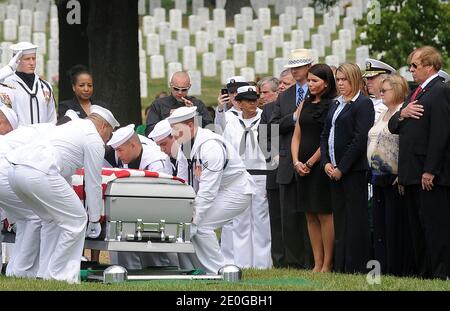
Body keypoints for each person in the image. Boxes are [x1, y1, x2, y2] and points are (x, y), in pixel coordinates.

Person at [6, 105, 118, 283]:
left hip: (15, 171)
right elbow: (93, 182)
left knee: (51, 219)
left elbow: (64, 176)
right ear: (103, 127)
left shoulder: (69, 128)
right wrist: (95, 218)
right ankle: (60, 275)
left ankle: (44, 274)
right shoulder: (93, 138)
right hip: (38, 171)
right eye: (109, 134)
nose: (108, 140)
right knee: (76, 220)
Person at [167, 106, 255, 273]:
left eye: (176, 129)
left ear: (190, 126)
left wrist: (194, 217)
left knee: (202, 226)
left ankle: (219, 271)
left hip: (236, 190)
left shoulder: (211, 147)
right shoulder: (184, 145)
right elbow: (183, 182)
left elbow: (208, 189)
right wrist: (183, 210)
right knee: (187, 225)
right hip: (218, 190)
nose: (172, 134)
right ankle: (191, 269)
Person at [388, 46, 450, 279]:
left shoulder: (440, 91)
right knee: (418, 228)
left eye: (415, 65)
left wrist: (430, 170)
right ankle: (425, 273)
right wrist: (402, 114)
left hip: (429, 174)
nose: (410, 70)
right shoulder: (416, 93)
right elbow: (394, 125)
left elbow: (441, 133)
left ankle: (440, 274)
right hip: (411, 173)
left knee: (435, 227)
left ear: (430, 66)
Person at [320, 63, 374, 273]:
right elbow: (325, 134)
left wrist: (342, 167)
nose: (341, 84)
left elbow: (360, 139)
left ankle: (357, 265)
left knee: (355, 219)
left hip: (353, 171)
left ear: (355, 80)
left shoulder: (363, 104)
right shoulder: (336, 103)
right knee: (340, 218)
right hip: (333, 170)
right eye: (338, 79)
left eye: (345, 80)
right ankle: (341, 264)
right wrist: (326, 162)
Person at [106, 124, 178, 269]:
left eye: (120, 150)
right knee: (116, 229)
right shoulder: (127, 157)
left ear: (133, 145)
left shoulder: (157, 163)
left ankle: (160, 269)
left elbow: (162, 198)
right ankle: (126, 269)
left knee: (125, 231)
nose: (118, 155)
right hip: (139, 211)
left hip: (160, 214)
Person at [270, 49, 314, 269]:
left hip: (311, 162)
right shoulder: (285, 96)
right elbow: (274, 126)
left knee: (311, 216)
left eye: (299, 66)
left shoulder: (317, 91)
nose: (295, 71)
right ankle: (293, 261)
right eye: (292, 67)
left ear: (309, 67)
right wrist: (294, 117)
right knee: (289, 217)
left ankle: (312, 261)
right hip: (288, 163)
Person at [291, 64, 336, 272]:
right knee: (309, 214)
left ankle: (327, 263)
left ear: (326, 83)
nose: (310, 84)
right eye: (309, 80)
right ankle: (317, 263)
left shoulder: (332, 105)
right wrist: (296, 161)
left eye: (314, 81)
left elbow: (326, 138)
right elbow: (297, 135)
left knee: (324, 214)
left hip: (319, 165)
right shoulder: (304, 103)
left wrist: (310, 162)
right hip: (301, 166)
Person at [367, 74, 414, 276]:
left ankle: (396, 268)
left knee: (394, 225)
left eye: (385, 90)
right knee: (380, 226)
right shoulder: (384, 112)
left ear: (397, 90)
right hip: (377, 175)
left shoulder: (404, 112)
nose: (381, 93)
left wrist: (403, 173)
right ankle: (381, 268)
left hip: (394, 176)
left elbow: (408, 145)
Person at [222, 86, 272, 269]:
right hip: (240, 177)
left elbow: (272, 151)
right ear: (239, 103)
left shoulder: (266, 118)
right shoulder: (232, 123)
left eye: (254, 99)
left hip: (261, 175)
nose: (252, 102)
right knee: (240, 221)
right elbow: (228, 152)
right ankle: (242, 264)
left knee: (261, 220)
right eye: (247, 100)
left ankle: (262, 264)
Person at [0, 121, 56, 278]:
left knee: (25, 218)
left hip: (7, 172)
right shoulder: (53, 134)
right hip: (6, 172)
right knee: (35, 216)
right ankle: (21, 271)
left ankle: (14, 269)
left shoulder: (28, 131)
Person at [259, 69, 296, 268]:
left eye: (286, 84)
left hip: (298, 168)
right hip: (275, 170)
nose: (281, 86)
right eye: (280, 83)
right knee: (277, 219)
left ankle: (299, 259)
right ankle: (280, 261)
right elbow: (263, 139)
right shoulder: (269, 109)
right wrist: (273, 157)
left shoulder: (301, 107)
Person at [0, 42, 56, 125]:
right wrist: (9, 68)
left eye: (34, 58)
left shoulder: (45, 86)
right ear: (16, 61)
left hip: (43, 136)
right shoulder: (6, 86)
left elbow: (51, 118)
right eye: (27, 59)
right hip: (17, 136)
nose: (32, 63)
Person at [145, 71, 212, 135]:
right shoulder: (159, 104)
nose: (180, 92)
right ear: (170, 85)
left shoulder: (197, 104)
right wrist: (169, 119)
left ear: (189, 86)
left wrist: (193, 114)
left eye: (184, 89)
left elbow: (209, 129)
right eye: (176, 89)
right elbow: (150, 131)